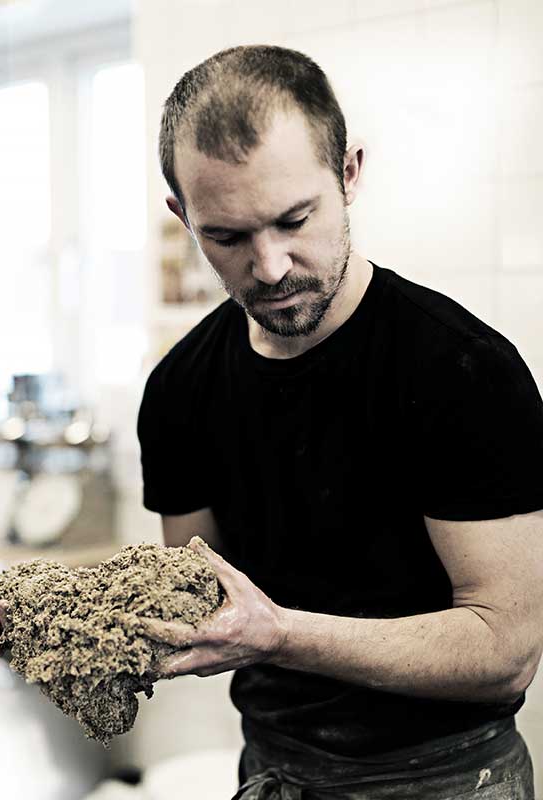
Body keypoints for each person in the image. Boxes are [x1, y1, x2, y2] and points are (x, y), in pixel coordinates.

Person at [137, 45, 543, 798]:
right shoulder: (177, 390)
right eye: (225, 236)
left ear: (349, 173)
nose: (269, 266)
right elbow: (205, 594)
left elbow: (506, 646)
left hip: (449, 777)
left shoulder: (462, 369)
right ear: (182, 216)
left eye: (294, 219)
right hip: (272, 765)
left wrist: (281, 636)